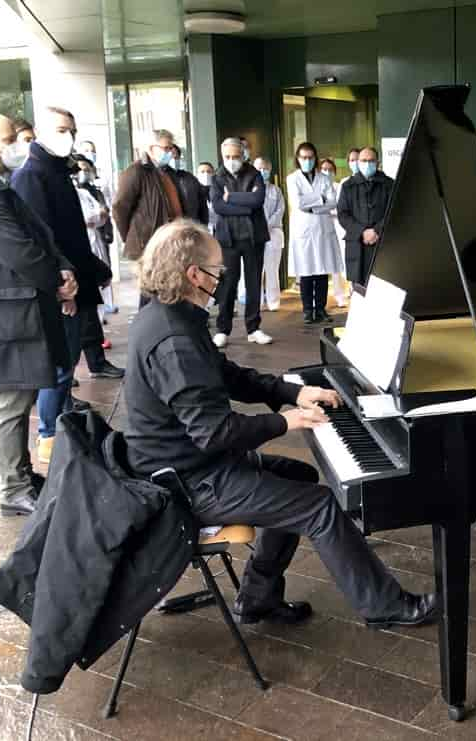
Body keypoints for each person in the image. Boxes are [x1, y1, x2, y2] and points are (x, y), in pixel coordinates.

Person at [125, 219, 439, 628]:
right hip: (187, 482)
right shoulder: (175, 340)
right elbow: (214, 433)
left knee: (302, 478)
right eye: (219, 271)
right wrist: (284, 422)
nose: (224, 277)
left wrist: (292, 393)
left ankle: (257, 597)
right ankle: (385, 607)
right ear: (194, 275)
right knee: (321, 506)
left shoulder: (171, 316)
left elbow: (228, 375)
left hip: (188, 465)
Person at [0, 112, 76, 517]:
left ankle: (21, 477)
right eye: (8, 138)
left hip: (20, 311)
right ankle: (12, 488)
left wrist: (63, 268)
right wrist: (57, 280)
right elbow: (18, 251)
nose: (16, 146)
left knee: (18, 400)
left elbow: (39, 234)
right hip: (6, 316)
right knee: (10, 405)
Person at [12, 106, 120, 463]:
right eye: (61, 130)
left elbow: (71, 236)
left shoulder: (57, 172)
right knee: (58, 367)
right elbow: (42, 240)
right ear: (41, 132)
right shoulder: (32, 175)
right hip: (62, 288)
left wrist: (91, 270)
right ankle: (48, 435)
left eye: (72, 130)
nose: (69, 137)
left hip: (76, 280)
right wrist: (62, 288)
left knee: (68, 362)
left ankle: (61, 425)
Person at [210, 137, 272, 346]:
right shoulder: (217, 177)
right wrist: (245, 205)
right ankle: (223, 329)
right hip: (228, 239)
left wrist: (231, 198)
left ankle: (253, 328)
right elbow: (218, 206)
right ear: (222, 155)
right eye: (227, 156)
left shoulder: (254, 174)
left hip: (254, 237)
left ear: (243, 155)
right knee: (228, 284)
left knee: (254, 283)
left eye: (236, 156)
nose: (232, 160)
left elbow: (258, 200)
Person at [112, 130, 184, 302]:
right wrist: (132, 237)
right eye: (166, 148)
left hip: (169, 242)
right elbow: (119, 208)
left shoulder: (165, 172)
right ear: (152, 148)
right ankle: (148, 328)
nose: (170, 153)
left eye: (171, 148)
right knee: (150, 295)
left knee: (167, 292)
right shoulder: (136, 171)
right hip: (148, 244)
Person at [73, 155, 125, 369]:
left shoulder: (85, 192)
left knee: (93, 302)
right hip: (73, 252)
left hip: (92, 244)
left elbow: (102, 214)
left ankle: (97, 360)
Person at [288, 142, 343, 323]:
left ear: (315, 158)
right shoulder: (292, 179)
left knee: (322, 271)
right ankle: (307, 310)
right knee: (306, 271)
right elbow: (298, 203)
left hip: (322, 228)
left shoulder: (324, 178)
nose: (307, 161)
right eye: (303, 157)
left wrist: (312, 206)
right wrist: (320, 199)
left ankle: (320, 309)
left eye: (310, 157)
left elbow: (333, 201)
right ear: (298, 159)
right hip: (303, 231)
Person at [337, 146, 393, 291]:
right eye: (363, 160)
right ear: (358, 162)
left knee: (383, 289)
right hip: (357, 243)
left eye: (371, 160)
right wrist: (362, 231)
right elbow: (343, 214)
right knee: (359, 292)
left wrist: (376, 230)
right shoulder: (348, 186)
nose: (367, 164)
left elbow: (394, 211)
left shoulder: (389, 184)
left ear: (378, 162)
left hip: (382, 243)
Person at [254, 157, 286, 311]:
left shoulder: (276, 190)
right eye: (259, 168)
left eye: (265, 168)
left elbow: (280, 210)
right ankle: (257, 301)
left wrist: (267, 224)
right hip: (254, 234)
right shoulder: (249, 189)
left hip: (273, 233)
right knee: (255, 270)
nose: (262, 171)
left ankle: (273, 301)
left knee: (272, 269)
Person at [331, 148, 362, 307]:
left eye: (358, 159)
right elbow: (340, 209)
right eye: (352, 160)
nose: (355, 163)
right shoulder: (345, 183)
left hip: (368, 232)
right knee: (350, 262)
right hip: (350, 230)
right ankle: (351, 289)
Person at [319, 158, 349, 307]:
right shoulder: (316, 188)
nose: (327, 172)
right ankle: (319, 299)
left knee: (339, 262)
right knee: (322, 264)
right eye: (324, 169)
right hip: (321, 228)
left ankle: (340, 294)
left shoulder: (340, 187)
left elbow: (340, 208)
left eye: (330, 169)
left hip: (338, 227)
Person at [162, 139, 208, 224]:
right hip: (169, 227)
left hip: (191, 223)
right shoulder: (160, 177)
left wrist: (204, 224)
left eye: (176, 157)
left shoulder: (190, 178)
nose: (173, 159)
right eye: (170, 156)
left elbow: (202, 202)